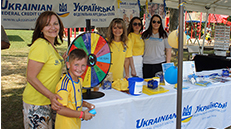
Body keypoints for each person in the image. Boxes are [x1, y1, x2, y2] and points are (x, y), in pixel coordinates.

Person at [22, 11, 67, 129]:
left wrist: (63, 59)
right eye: (47, 25)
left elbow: (49, 66)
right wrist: (51, 95)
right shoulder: (41, 45)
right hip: (37, 103)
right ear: (41, 28)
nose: (52, 28)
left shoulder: (50, 46)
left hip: (49, 101)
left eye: (55, 24)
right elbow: (31, 77)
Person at [55, 49, 95, 129]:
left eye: (83, 65)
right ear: (68, 65)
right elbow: (60, 110)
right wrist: (82, 115)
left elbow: (75, 99)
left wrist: (86, 104)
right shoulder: (64, 85)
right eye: (76, 65)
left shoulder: (79, 80)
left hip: (75, 125)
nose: (80, 69)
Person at [142, 14, 172, 79]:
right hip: (147, 64)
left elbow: (168, 50)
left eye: (158, 22)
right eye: (154, 21)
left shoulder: (164, 35)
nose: (156, 23)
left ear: (161, 23)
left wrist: (168, 63)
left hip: (159, 64)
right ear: (151, 23)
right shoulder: (145, 34)